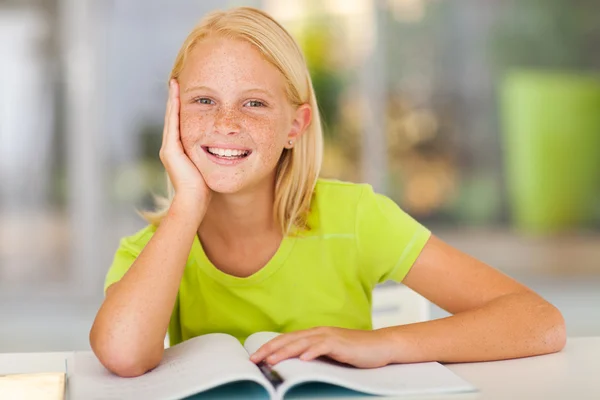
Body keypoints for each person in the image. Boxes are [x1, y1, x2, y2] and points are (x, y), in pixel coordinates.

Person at [89, 6, 566, 378]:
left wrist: (383, 344)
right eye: (203, 101)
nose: (225, 123)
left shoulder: (355, 217)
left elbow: (538, 322)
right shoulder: (154, 251)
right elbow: (122, 354)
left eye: (253, 103)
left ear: (295, 126)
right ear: (174, 116)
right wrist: (188, 204)